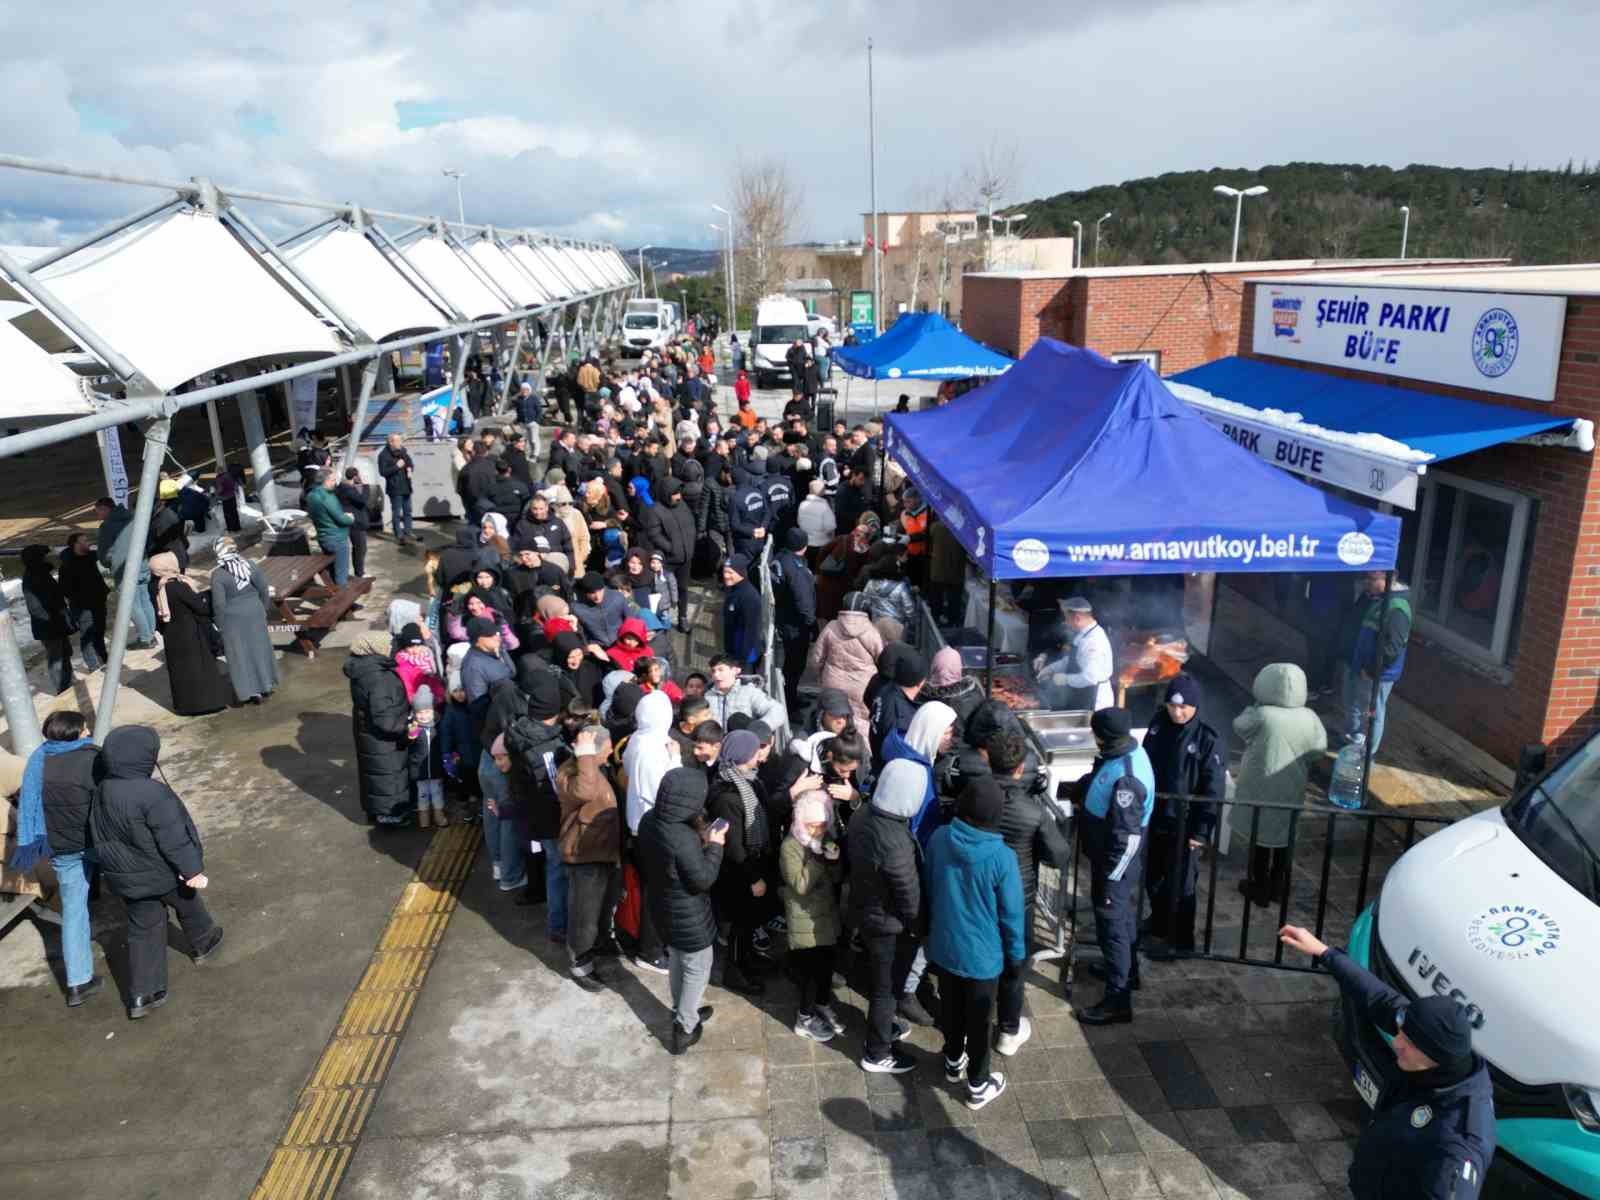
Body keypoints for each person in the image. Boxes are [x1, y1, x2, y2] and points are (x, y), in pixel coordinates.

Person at [1279, 924, 1495, 1198]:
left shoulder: (1457, 1140)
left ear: (1437, 1058)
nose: (1396, 1042)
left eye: (1409, 1043)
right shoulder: (1426, 1038)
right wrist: (1323, 952)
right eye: (1402, 1032)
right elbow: (1378, 997)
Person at [91, 725, 223, 1019]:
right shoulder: (152, 793)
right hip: (161, 872)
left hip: (126, 877)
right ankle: (203, 941)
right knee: (187, 902)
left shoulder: (103, 790)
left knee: (143, 928)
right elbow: (173, 838)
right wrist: (191, 870)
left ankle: (143, 994)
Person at [924, 776, 1025, 1110]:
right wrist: (1016, 956)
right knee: (980, 1023)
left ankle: (953, 1060)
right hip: (983, 957)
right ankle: (979, 1085)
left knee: (950, 1007)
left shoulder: (939, 839)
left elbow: (929, 885)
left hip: (944, 945)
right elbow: (1011, 916)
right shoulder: (1002, 857)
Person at [985, 729, 1070, 1057]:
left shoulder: (975, 796)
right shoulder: (1032, 812)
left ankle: (970, 1025)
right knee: (1014, 966)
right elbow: (1059, 855)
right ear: (1020, 768)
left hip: (978, 893)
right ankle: (1008, 1029)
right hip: (1018, 897)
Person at [9, 711, 100, 1005]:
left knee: (73, 912)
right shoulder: (90, 757)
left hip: (60, 848)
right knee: (132, 885)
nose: (88, 733)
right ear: (74, 733)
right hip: (93, 841)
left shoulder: (39, 758)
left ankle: (77, 983)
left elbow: (29, 804)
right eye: (85, 729)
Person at [1072, 707, 1154, 1026]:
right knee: (1120, 920)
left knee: (1113, 926)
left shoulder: (1128, 778)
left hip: (1115, 867)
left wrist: (1111, 879)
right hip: (1110, 862)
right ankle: (1126, 971)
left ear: (1102, 736)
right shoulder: (1122, 750)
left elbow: (1127, 839)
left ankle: (1118, 999)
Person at [637, 766, 725, 1054]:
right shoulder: (683, 837)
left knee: (677, 958)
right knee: (698, 967)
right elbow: (703, 879)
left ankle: (681, 1009)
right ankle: (685, 1027)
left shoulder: (650, 820)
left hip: (661, 908)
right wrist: (715, 846)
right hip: (689, 916)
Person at [848, 758, 925, 1074]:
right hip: (888, 924)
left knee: (880, 982)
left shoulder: (864, 814)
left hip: (866, 911)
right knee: (886, 989)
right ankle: (877, 1052)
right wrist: (919, 925)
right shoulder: (894, 840)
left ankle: (882, 1029)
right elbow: (909, 895)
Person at [1139, 673, 1224, 957]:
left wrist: (1201, 832)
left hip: (1185, 825)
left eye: (1183, 707)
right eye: (1172, 706)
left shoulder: (1206, 739)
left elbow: (1212, 790)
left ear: (1195, 707)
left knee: (1182, 885)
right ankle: (1159, 923)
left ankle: (1181, 941)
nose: (1177, 712)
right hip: (1156, 817)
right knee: (1154, 876)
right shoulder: (1157, 725)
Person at [1233, 663, 1326, 907]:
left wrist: (1255, 706)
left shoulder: (1262, 715)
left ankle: (1258, 887)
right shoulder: (1310, 717)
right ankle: (1278, 887)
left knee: (1261, 839)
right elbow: (1319, 750)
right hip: (1292, 789)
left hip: (1261, 788)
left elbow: (1239, 726)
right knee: (1285, 840)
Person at [708, 729, 780, 996]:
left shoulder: (748, 781)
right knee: (736, 926)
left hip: (753, 864)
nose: (758, 756)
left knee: (748, 923)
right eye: (753, 751)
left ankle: (748, 960)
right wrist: (753, 878)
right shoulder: (727, 796)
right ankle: (732, 972)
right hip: (736, 875)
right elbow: (734, 846)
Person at [505, 671, 571, 942]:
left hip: (531, 814)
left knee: (551, 867)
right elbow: (557, 789)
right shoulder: (546, 748)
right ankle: (559, 925)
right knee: (558, 870)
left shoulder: (519, 733)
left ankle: (557, 922)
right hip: (551, 820)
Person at [557, 725, 621, 987]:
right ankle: (580, 964)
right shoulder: (571, 772)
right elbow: (585, 792)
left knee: (602, 908)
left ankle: (598, 944)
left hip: (602, 851)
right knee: (584, 914)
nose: (609, 755)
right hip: (584, 854)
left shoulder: (594, 767)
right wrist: (585, 754)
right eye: (605, 750)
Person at [781, 792, 845, 1042]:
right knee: (810, 971)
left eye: (821, 825)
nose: (818, 830)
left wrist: (835, 860)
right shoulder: (791, 847)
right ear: (800, 822)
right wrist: (819, 860)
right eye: (812, 825)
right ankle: (804, 1017)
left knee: (827, 965)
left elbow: (837, 877)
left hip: (826, 915)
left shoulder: (824, 838)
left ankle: (822, 1003)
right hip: (804, 918)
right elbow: (800, 884)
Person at [623, 689, 677, 974]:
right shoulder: (655, 749)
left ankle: (648, 943)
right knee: (655, 892)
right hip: (653, 829)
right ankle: (651, 951)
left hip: (637, 825)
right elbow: (667, 793)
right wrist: (676, 760)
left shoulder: (637, 739)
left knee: (648, 888)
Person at [344, 632, 415, 826]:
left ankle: (377, 811)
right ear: (377, 650)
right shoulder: (378, 678)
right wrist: (406, 727)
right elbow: (384, 719)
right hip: (384, 739)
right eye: (390, 647)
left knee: (376, 774)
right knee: (388, 775)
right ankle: (391, 815)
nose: (394, 650)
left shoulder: (363, 668)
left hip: (369, 734)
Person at [148, 553, 231, 717]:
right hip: (190, 633)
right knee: (199, 669)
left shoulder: (154, 586)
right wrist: (206, 596)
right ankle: (206, 704)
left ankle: (185, 706)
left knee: (181, 672)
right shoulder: (177, 586)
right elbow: (201, 607)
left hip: (172, 634)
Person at [1339, 571, 1412, 756]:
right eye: (1365, 578)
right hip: (1357, 664)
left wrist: (1372, 670)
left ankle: (1366, 754)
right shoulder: (1373, 597)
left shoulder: (1397, 609)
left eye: (1371, 579)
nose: (1366, 583)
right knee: (1353, 702)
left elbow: (1392, 649)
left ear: (1388, 580)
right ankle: (1351, 739)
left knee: (1372, 713)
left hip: (1376, 673)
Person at [208, 538, 278, 706]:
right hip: (255, 611)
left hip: (233, 619)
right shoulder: (250, 565)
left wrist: (219, 623)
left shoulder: (218, 574)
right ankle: (266, 685)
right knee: (259, 649)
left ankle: (250, 691)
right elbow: (263, 589)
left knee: (240, 655)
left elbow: (219, 604)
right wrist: (262, 609)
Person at [807, 596, 885, 730]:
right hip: (862, 687)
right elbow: (883, 661)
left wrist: (820, 676)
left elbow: (816, 659)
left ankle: (830, 748)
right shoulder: (872, 632)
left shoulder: (831, 627)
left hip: (833, 683)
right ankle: (859, 748)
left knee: (833, 721)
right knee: (861, 720)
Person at [93, 497, 157, 648]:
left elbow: (104, 552)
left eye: (98, 512)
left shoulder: (107, 526)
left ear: (104, 509)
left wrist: (109, 562)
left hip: (125, 570)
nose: (98, 516)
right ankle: (151, 635)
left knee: (132, 605)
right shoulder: (133, 518)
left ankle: (145, 638)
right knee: (145, 600)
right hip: (142, 564)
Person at [1035, 596, 1114, 711]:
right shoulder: (1083, 634)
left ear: (1077, 618)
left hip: (1094, 699)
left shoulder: (1093, 641)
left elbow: (1090, 678)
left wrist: (1065, 679)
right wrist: (1051, 668)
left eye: (1067, 618)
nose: (1065, 622)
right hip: (1082, 694)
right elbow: (1071, 659)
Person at [771, 529, 817, 715]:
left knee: (790, 665)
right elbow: (803, 600)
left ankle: (791, 696)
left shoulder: (779, 558)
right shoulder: (797, 569)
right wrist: (812, 624)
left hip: (783, 617)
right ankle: (790, 705)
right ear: (804, 547)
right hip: (795, 625)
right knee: (795, 665)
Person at [643, 478, 696, 633]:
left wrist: (690, 544)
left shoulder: (682, 505)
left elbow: (690, 524)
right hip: (668, 560)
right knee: (662, 590)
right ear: (667, 494)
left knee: (683, 588)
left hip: (685, 558)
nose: (678, 496)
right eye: (675, 494)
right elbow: (654, 534)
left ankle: (682, 618)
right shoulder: (655, 510)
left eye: (679, 493)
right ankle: (661, 620)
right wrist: (671, 548)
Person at [19, 545, 73, 693]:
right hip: (49, 626)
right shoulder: (32, 578)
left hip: (58, 622)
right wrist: (53, 619)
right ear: (36, 560)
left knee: (66, 653)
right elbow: (35, 608)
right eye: (42, 557)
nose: (46, 558)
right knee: (56, 658)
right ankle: (62, 688)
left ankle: (68, 682)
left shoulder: (41, 573)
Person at [59, 532, 109, 673]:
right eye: (85, 541)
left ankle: (105, 659)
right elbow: (65, 589)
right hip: (82, 606)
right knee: (87, 635)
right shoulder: (67, 565)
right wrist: (80, 598)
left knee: (99, 632)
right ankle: (93, 666)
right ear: (76, 544)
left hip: (98, 601)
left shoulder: (91, 556)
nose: (89, 543)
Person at [305, 469, 355, 585]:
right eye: (333, 480)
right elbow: (341, 519)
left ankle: (336, 596)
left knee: (332, 571)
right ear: (325, 481)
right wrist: (350, 518)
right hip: (337, 539)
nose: (335, 483)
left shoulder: (311, 495)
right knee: (341, 574)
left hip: (323, 537)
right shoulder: (327, 497)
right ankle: (343, 601)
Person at [407, 688, 448, 829]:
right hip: (420, 769)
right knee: (422, 794)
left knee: (437, 793)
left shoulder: (439, 726)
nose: (424, 716)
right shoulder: (414, 727)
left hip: (436, 767)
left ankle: (439, 816)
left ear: (433, 711)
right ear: (415, 713)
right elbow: (407, 745)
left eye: (427, 712)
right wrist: (411, 736)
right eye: (420, 713)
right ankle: (423, 818)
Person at [720, 555, 764, 671]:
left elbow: (750, 631)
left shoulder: (749, 597)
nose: (726, 576)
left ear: (741, 573)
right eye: (724, 572)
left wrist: (741, 661)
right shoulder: (734, 590)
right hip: (734, 652)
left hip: (745, 657)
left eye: (730, 572)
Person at [335, 467, 372, 577]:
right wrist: (366, 487)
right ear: (355, 477)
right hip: (356, 523)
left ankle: (355, 572)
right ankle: (359, 573)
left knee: (352, 548)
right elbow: (362, 500)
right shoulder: (348, 489)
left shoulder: (340, 487)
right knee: (360, 548)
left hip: (347, 521)